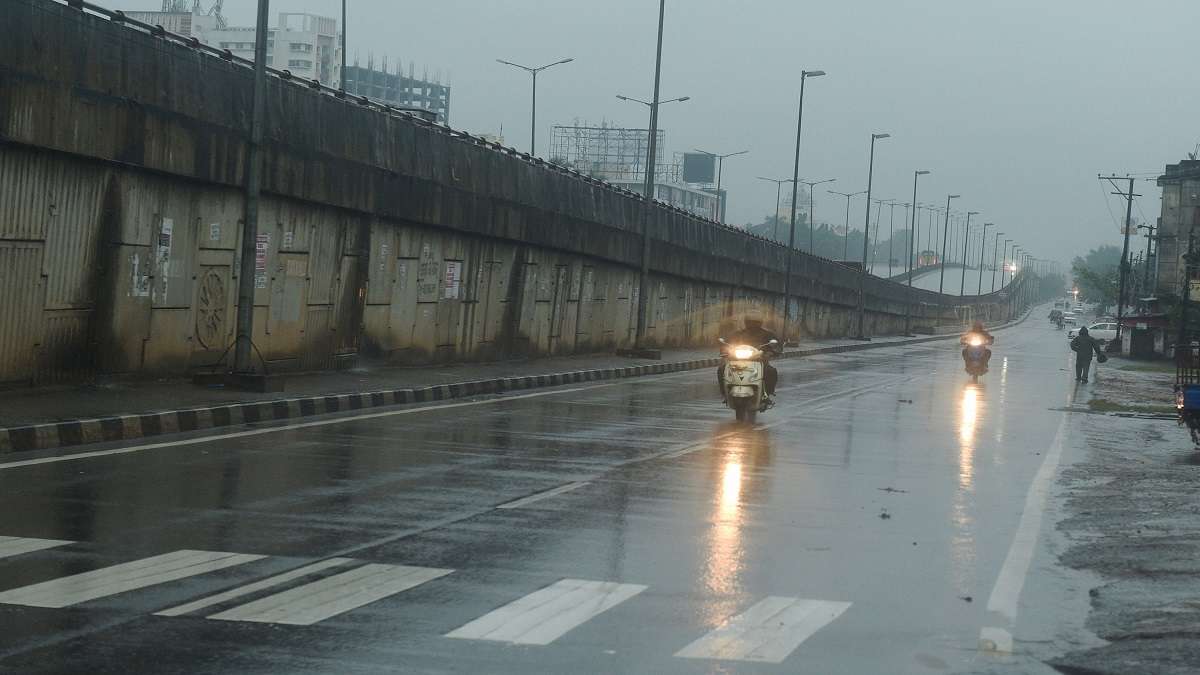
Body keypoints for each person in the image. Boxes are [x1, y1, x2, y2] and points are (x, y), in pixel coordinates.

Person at [719, 314, 782, 402]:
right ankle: (725, 393)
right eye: (750, 322)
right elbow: (727, 343)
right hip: (738, 359)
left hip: (759, 360)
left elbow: (777, 345)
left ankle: (766, 394)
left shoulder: (767, 334)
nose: (752, 324)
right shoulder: (738, 333)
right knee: (722, 369)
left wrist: (771, 352)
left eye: (755, 323)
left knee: (770, 371)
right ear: (746, 323)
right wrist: (725, 350)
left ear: (760, 323)